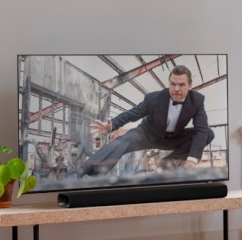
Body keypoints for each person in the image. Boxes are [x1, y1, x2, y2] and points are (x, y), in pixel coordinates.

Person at [72, 65, 215, 177]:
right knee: (122, 142)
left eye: (181, 85)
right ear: (169, 84)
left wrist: (191, 160)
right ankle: (83, 169)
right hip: (147, 134)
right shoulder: (154, 98)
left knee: (208, 133)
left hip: (173, 138)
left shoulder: (197, 100)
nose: (176, 89)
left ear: (190, 86)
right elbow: (132, 114)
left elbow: (201, 129)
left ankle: (167, 163)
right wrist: (112, 125)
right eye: (173, 84)